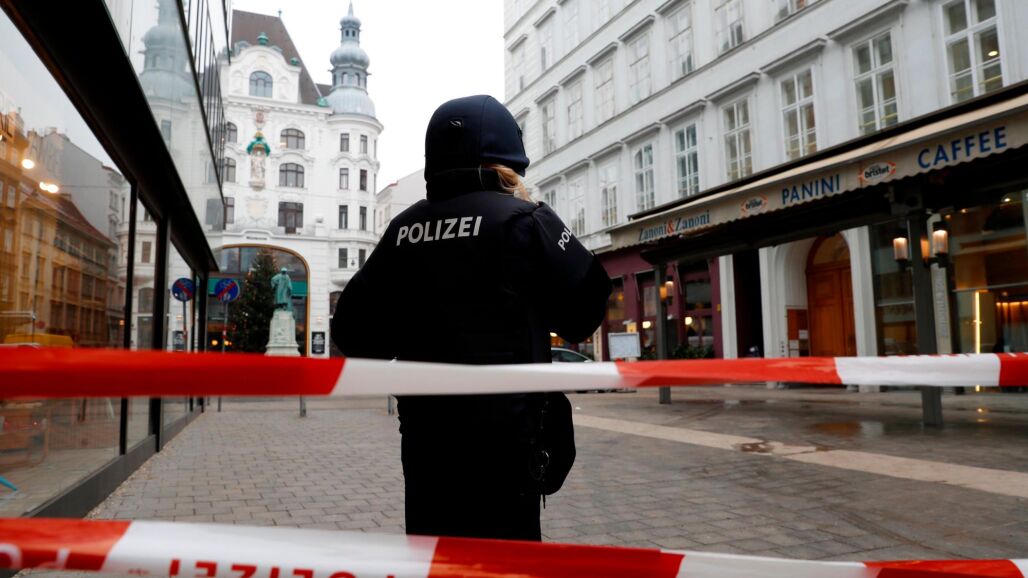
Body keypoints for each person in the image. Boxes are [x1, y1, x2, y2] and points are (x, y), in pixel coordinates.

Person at [331, 95, 611, 541]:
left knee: (436, 557)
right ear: (507, 161)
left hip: (426, 449)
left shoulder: (402, 231)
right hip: (509, 449)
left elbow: (352, 332)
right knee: (506, 561)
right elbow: (585, 312)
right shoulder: (526, 220)